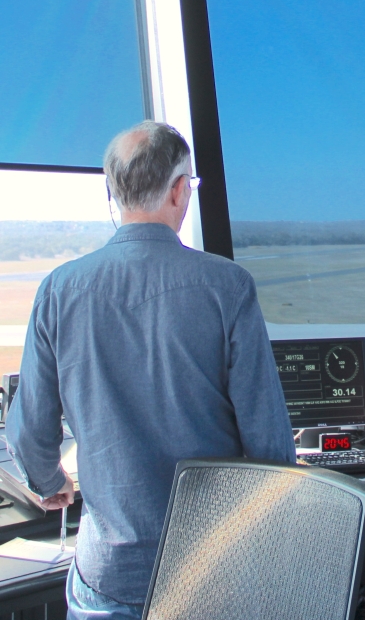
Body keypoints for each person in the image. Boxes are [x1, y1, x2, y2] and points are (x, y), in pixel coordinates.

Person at [7, 121, 297, 619]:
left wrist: (50, 481)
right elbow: (268, 443)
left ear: (111, 194)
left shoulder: (58, 289)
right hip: (209, 571)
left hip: (109, 575)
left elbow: (30, 434)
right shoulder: (227, 287)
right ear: (180, 191)